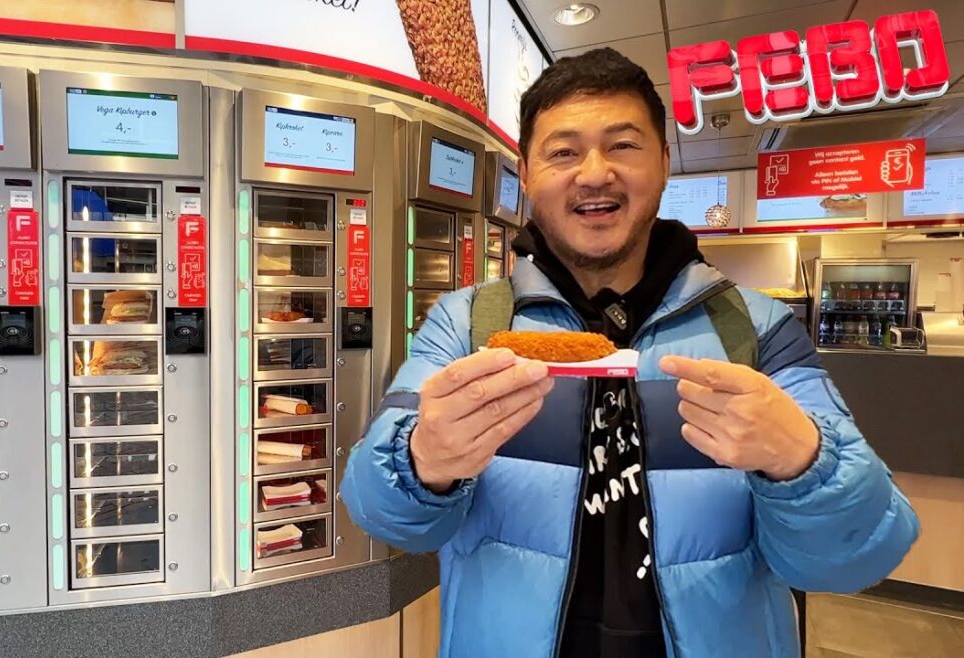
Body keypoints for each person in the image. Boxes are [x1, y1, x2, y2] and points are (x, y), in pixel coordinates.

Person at [340, 48, 918, 658]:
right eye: (563, 152)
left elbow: (859, 557)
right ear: (527, 173)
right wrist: (423, 459)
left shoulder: (757, 328)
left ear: (664, 164)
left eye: (623, 145)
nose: (594, 173)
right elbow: (377, 511)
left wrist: (801, 460)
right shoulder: (466, 324)